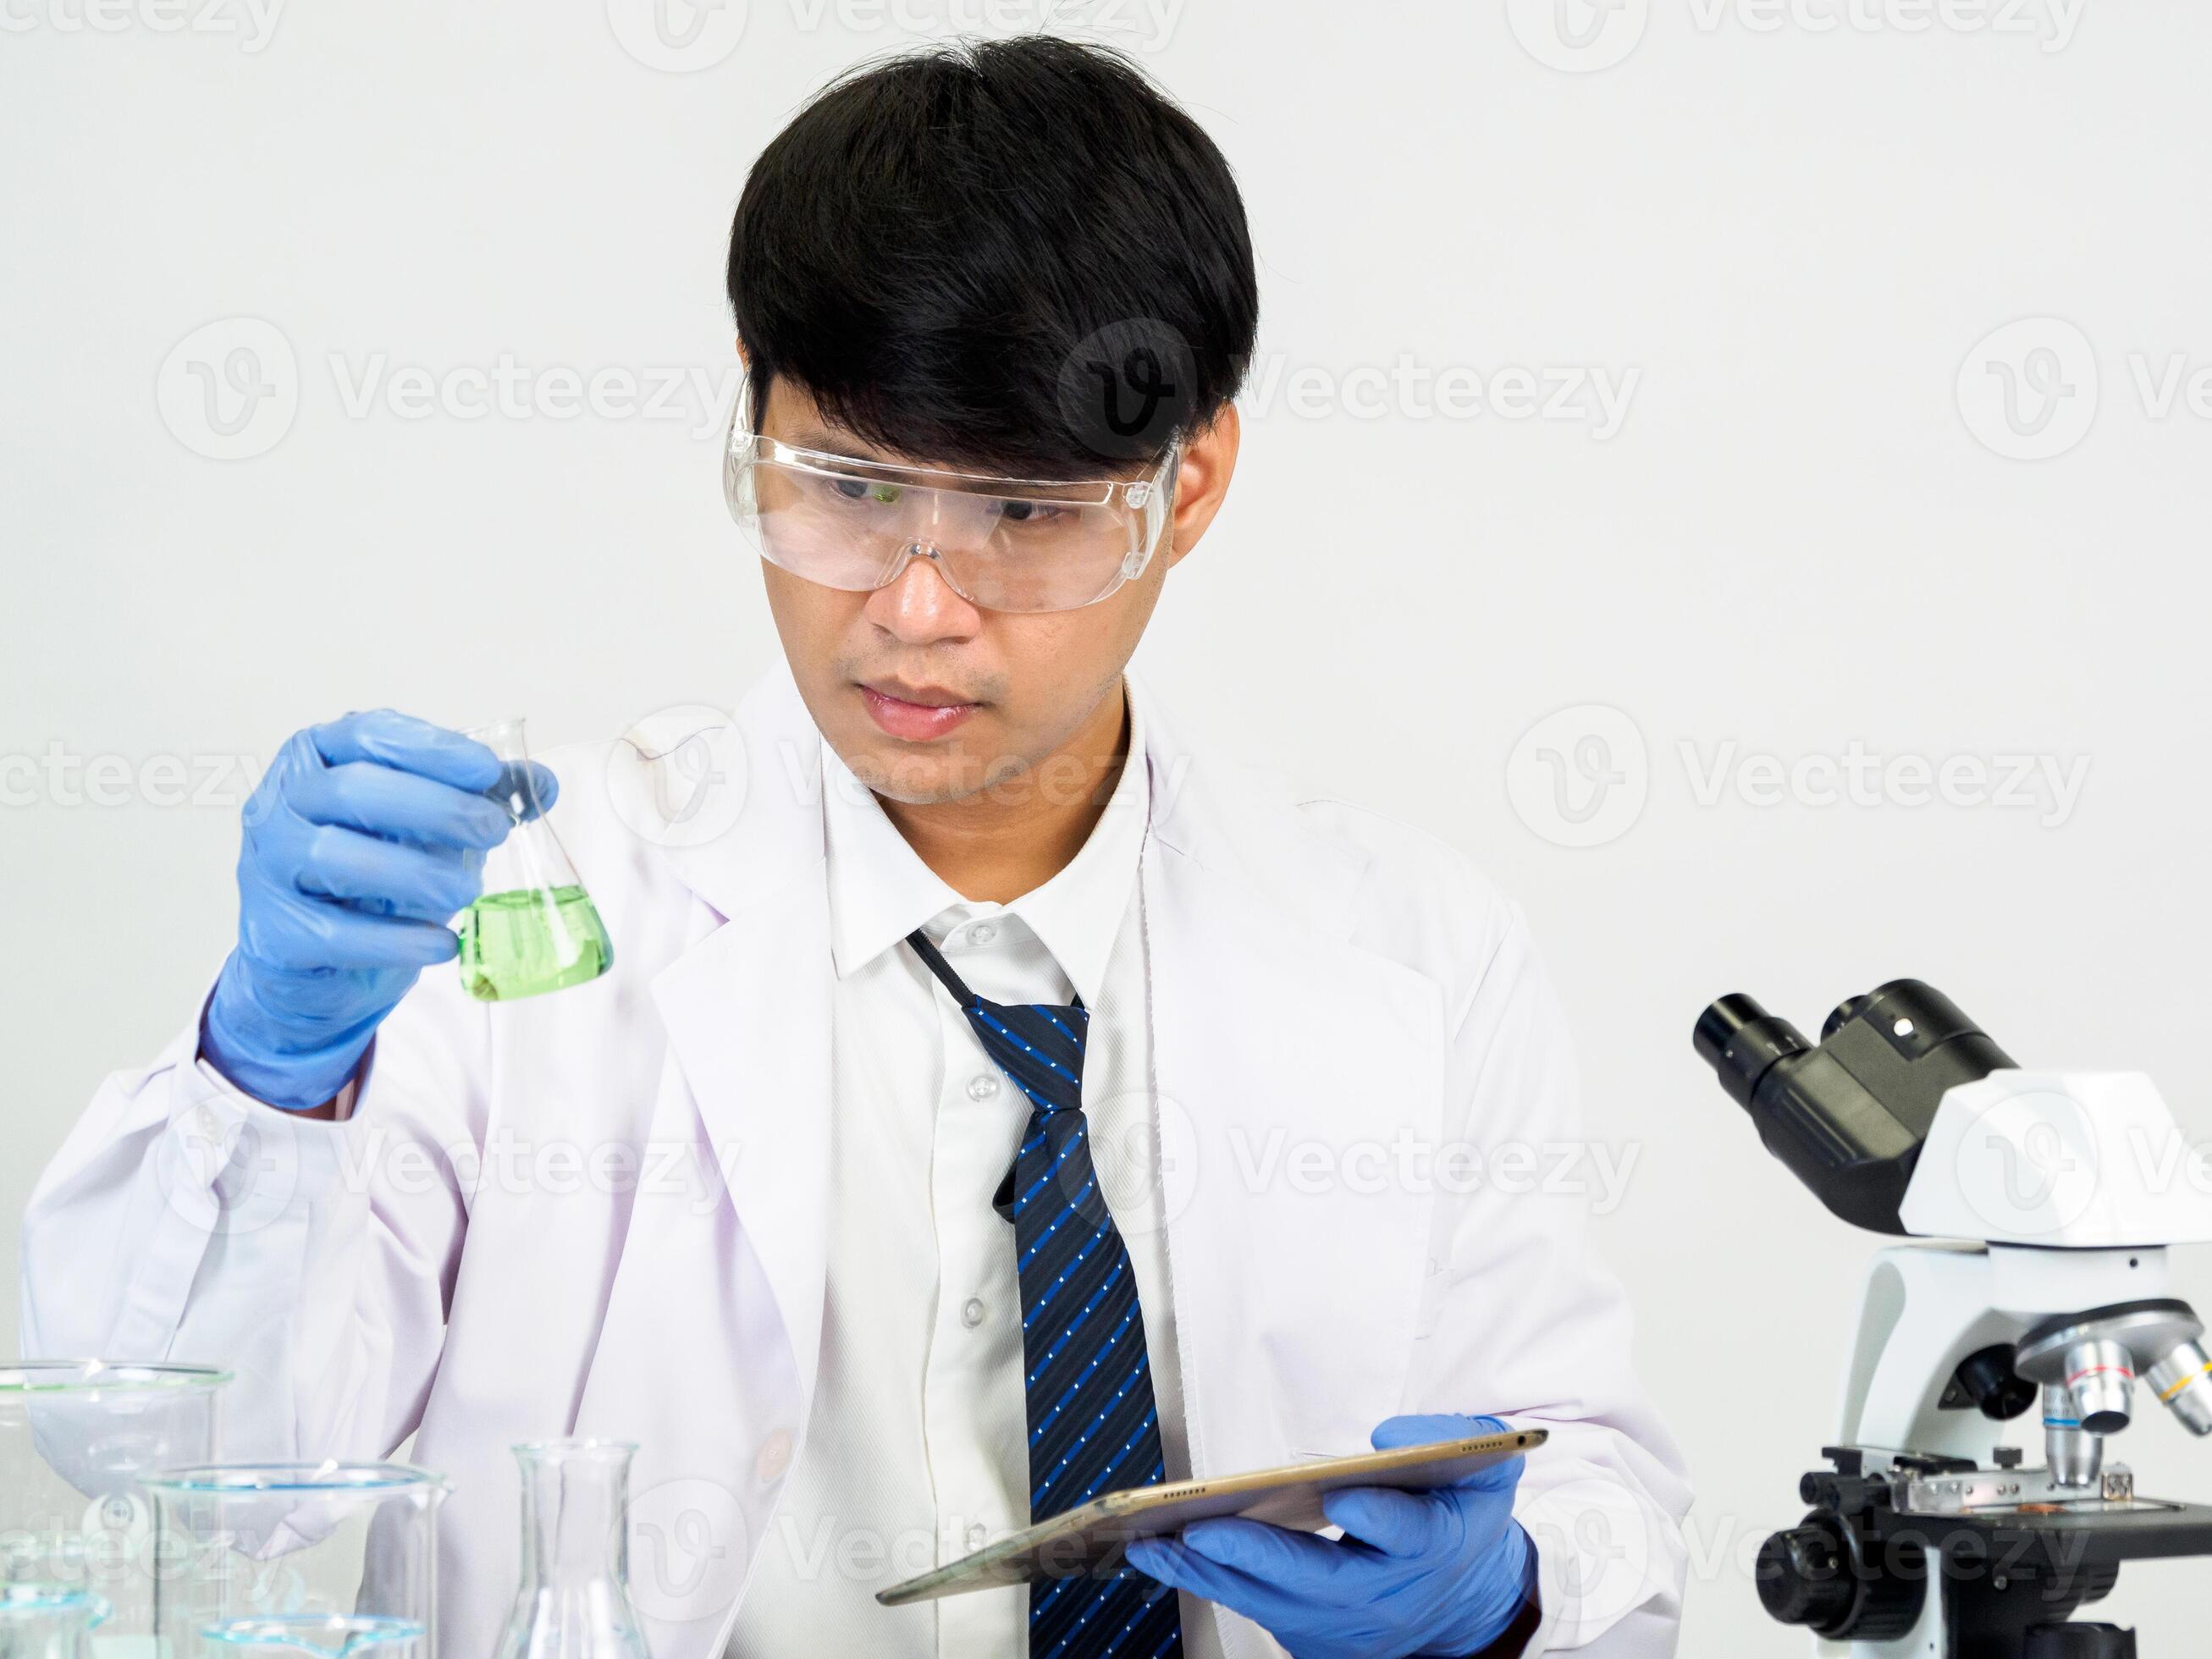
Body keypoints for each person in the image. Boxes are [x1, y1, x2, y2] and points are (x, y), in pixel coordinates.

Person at [20, 36, 1690, 1659]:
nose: (911, 607)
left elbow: (1590, 1475)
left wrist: (1501, 1591)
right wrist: (269, 1077)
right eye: (847, 487)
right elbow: (186, 1478)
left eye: (1022, 517)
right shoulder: (522, 908)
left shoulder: (1406, 945)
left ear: (1188, 485)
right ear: (751, 411)